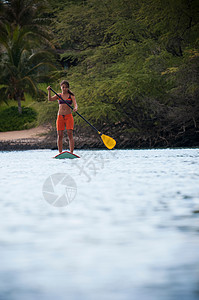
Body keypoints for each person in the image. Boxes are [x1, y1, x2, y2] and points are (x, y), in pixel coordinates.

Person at [47, 80, 78, 153]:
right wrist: (49, 91)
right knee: (60, 135)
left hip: (68, 116)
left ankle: (71, 152)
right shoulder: (58, 95)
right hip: (60, 116)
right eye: (63, 87)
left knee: (70, 133)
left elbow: (75, 104)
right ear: (61, 87)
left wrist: (75, 108)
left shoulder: (71, 96)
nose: (64, 89)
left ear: (68, 88)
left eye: (66, 87)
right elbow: (50, 99)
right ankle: (60, 152)